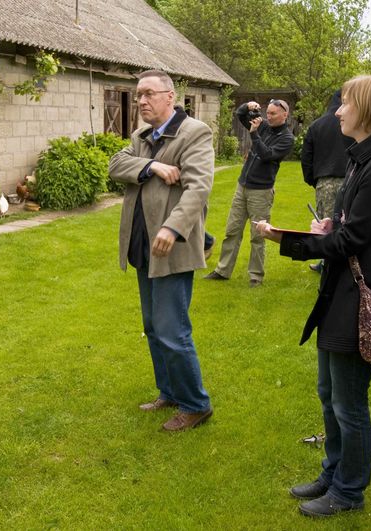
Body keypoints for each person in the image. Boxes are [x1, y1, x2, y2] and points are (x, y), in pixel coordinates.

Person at [256, 74, 371, 517]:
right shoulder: (363, 157)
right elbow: (351, 227)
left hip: (362, 297)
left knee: (349, 403)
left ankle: (348, 492)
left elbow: (354, 241)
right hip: (340, 293)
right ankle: (333, 472)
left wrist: (289, 241)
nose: (339, 111)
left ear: (370, 110)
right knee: (329, 394)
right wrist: (331, 225)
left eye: (346, 103)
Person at [109, 70, 213, 432]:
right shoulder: (141, 137)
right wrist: (152, 165)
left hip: (171, 247)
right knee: (153, 327)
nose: (141, 101)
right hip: (143, 246)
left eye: (148, 93)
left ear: (170, 96)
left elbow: (198, 187)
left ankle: (196, 404)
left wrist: (172, 226)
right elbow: (115, 165)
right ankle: (169, 391)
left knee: (172, 330)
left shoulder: (194, 132)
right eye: (138, 94)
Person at [204, 99, 293, 287]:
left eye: (273, 114)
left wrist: (254, 134)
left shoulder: (286, 138)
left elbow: (266, 155)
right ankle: (222, 270)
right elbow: (239, 114)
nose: (268, 117)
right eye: (267, 113)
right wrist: (248, 106)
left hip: (261, 191)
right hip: (242, 186)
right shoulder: (263, 126)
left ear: (285, 114)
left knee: (258, 235)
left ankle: (255, 276)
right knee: (232, 231)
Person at [301, 90, 353, 273]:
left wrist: (314, 180)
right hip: (351, 177)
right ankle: (335, 264)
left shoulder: (317, 125)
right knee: (347, 224)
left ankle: (329, 266)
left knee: (326, 224)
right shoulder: (355, 123)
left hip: (326, 181)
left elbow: (306, 157)